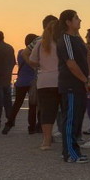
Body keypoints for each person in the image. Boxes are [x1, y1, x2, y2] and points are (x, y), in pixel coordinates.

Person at [56, 10, 90, 163]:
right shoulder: (65, 39)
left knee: (76, 119)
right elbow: (71, 63)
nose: (80, 20)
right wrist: (85, 80)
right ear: (68, 22)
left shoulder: (77, 39)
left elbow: (86, 59)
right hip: (71, 85)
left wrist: (89, 78)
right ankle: (70, 153)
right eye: (76, 18)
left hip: (80, 85)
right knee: (70, 119)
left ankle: (72, 149)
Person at [29, 19, 61, 150]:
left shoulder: (40, 43)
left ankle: (46, 141)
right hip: (59, 80)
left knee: (46, 112)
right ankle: (66, 137)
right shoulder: (61, 44)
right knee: (62, 110)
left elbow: (31, 60)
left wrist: (41, 66)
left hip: (43, 81)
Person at [3, 34, 39, 135]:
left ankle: (9, 123)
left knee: (17, 104)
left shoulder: (20, 53)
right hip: (32, 82)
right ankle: (31, 128)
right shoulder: (35, 55)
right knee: (32, 106)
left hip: (21, 81)